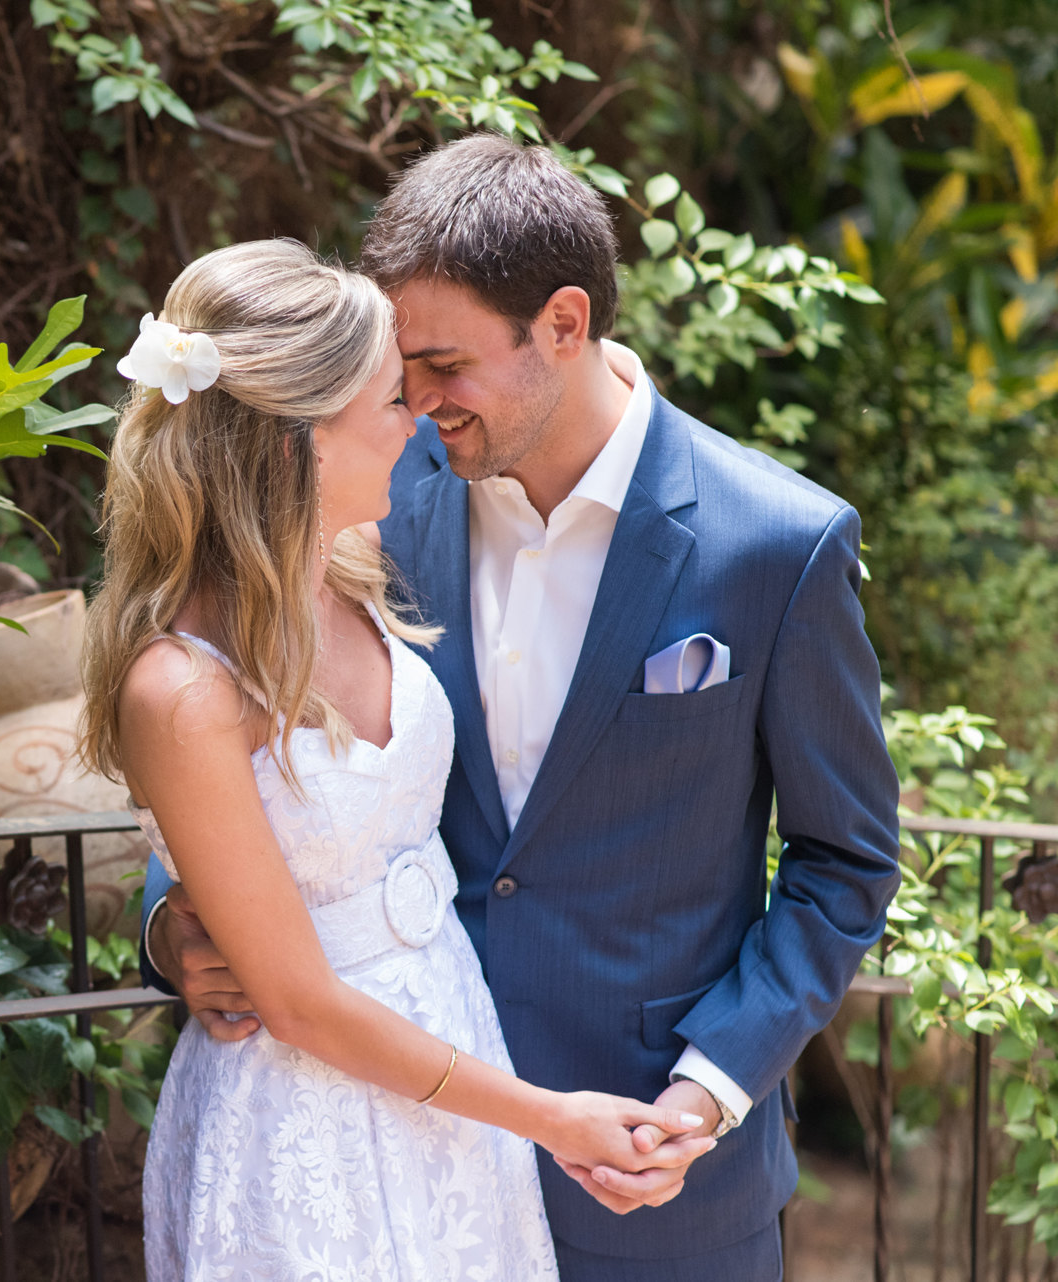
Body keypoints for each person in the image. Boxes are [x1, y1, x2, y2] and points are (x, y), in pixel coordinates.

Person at [136, 134, 902, 1281]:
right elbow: (241, 714)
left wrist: (706, 1091)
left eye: (442, 365)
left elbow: (846, 863)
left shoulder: (774, 548)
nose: (416, 403)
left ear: (562, 322)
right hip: (387, 1144)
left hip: (653, 1171)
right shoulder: (371, 489)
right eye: (401, 373)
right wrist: (177, 922)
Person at [81, 237, 718, 1280]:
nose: (420, 417)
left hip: (448, 1054)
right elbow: (293, 996)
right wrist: (552, 1119)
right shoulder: (181, 688)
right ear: (296, 444)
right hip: (300, 1112)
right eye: (390, 401)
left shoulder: (352, 563)